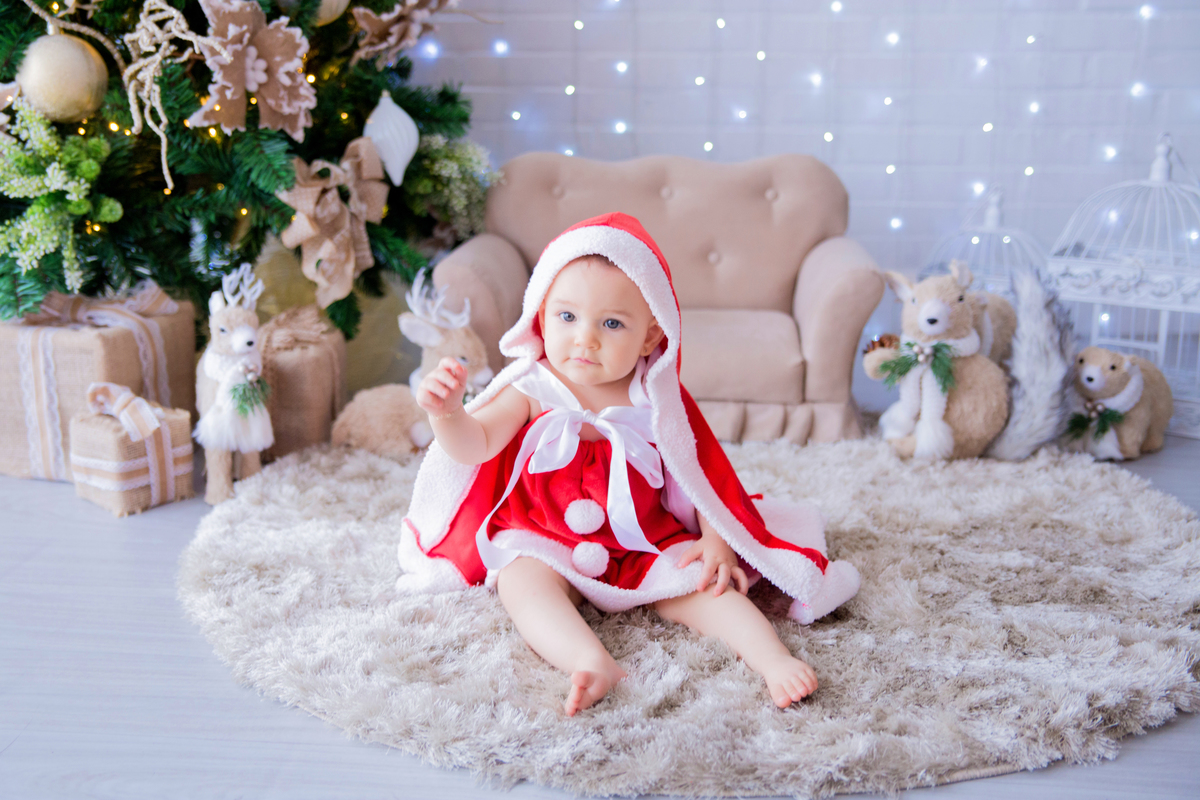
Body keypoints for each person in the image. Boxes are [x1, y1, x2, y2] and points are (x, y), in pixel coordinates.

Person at [401, 213, 860, 715]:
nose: (585, 339)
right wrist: (447, 414)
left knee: (706, 584)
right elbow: (477, 444)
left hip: (642, 541)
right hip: (545, 536)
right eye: (567, 317)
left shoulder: (657, 399)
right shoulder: (532, 388)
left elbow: (700, 474)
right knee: (520, 582)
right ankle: (587, 660)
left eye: (612, 323)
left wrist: (714, 540)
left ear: (648, 337)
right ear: (541, 316)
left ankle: (771, 659)